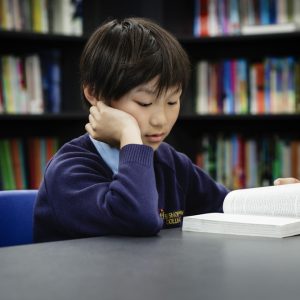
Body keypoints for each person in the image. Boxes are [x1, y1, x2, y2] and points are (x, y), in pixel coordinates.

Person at [33, 17, 299, 242]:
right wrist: (129, 134)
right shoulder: (69, 172)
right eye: (145, 102)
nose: (160, 119)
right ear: (94, 94)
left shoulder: (169, 161)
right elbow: (138, 218)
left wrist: (279, 202)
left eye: (172, 101)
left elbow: (224, 208)